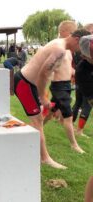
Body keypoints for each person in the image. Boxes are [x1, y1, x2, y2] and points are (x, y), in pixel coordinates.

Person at [14, 29, 90, 169]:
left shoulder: (59, 44)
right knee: (37, 122)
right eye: (82, 47)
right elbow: (44, 73)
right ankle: (45, 158)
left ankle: (28, 144)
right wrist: (42, 96)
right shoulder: (60, 50)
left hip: (27, 82)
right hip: (25, 83)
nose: (81, 51)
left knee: (39, 120)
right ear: (77, 39)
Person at [43, 20, 85, 153]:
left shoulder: (69, 50)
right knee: (68, 116)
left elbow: (67, 67)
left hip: (66, 85)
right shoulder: (57, 47)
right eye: (73, 32)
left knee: (50, 114)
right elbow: (48, 69)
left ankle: (36, 129)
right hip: (58, 86)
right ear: (66, 32)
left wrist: (74, 73)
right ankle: (74, 144)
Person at [72, 23, 93, 136]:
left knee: (78, 103)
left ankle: (71, 125)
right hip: (83, 84)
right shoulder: (82, 71)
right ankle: (78, 130)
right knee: (85, 104)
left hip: (80, 82)